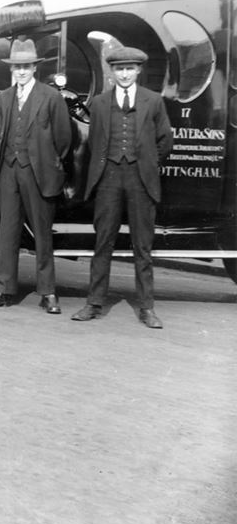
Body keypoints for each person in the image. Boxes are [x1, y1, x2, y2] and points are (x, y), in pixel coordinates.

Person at [72, 47, 173, 329]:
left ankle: (147, 307)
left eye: (130, 68)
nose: (125, 74)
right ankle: (94, 303)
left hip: (141, 180)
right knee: (103, 243)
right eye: (119, 69)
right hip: (109, 179)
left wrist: (147, 163)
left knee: (143, 247)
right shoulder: (101, 103)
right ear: (112, 72)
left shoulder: (153, 101)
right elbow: (95, 142)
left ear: (139, 70)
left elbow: (165, 140)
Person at [0, 38, 71, 314]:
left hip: (38, 173)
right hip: (9, 171)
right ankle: (2, 289)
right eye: (17, 67)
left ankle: (48, 292)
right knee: (7, 233)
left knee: (43, 235)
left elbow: (64, 139)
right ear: (12, 69)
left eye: (26, 66)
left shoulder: (51, 96)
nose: (21, 71)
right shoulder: (5, 97)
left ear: (35, 68)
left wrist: (46, 163)